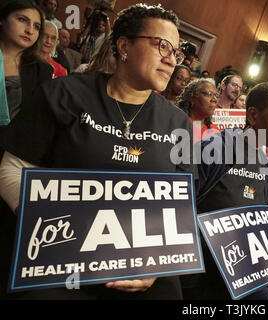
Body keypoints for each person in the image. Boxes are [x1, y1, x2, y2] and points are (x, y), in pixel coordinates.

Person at [0, 3, 194, 300]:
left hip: (137, 265)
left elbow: (182, 201)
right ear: (124, 46)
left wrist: (157, 259)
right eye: (162, 46)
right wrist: (56, 232)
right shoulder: (64, 94)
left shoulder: (177, 122)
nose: (172, 61)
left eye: (176, 53)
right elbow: (11, 169)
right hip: (58, 254)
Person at [182, 82, 268, 300]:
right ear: (253, 116)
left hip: (249, 265)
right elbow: (180, 208)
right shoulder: (214, 150)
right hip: (210, 266)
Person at [0, 0, 52, 125]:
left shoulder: (42, 69)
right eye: (22, 20)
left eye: (36, 26)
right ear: (2, 19)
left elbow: (37, 120)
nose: (30, 30)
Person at [176, 78, 219, 142]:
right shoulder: (177, 124)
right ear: (192, 98)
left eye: (216, 95)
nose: (214, 99)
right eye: (208, 94)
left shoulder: (215, 131)